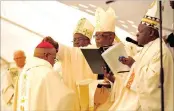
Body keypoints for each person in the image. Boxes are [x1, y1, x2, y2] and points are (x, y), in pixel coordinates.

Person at [97, 0, 174, 110]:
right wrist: (113, 78)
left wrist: (134, 64)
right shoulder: (146, 49)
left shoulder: (160, 51)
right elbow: (131, 78)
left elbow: (153, 83)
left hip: (147, 104)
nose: (137, 34)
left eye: (140, 31)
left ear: (151, 33)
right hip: (133, 100)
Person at [13, 41, 80, 111]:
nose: (54, 62)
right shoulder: (48, 73)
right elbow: (64, 98)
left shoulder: (23, 74)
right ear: (46, 55)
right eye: (54, 58)